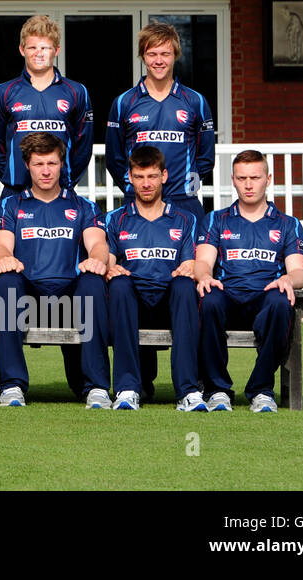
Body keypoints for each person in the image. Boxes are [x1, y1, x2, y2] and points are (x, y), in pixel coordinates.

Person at [0, 133, 110, 407]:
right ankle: (12, 385)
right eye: (38, 164)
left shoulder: (83, 206)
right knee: (7, 283)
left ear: (62, 165)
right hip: (29, 295)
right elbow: (1, 246)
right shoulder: (11, 204)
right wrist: (5, 258)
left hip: (69, 296)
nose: (45, 171)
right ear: (27, 166)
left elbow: (98, 244)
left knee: (93, 283)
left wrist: (96, 259)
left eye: (52, 163)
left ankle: (96, 387)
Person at [195, 150, 303, 413]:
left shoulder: (288, 224)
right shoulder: (215, 219)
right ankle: (217, 390)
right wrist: (203, 276)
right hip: (228, 298)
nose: (248, 184)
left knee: (283, 302)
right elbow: (203, 262)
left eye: (255, 177)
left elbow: (299, 272)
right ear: (233, 180)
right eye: (242, 178)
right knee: (208, 299)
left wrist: (287, 279)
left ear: (268, 179)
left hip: (265, 301)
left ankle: (261, 390)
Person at [102, 146, 203, 411]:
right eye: (139, 177)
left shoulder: (185, 219)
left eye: (152, 176)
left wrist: (188, 268)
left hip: (169, 303)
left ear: (164, 176)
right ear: (130, 178)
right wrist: (111, 269)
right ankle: (126, 389)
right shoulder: (115, 219)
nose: (146, 184)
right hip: (131, 303)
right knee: (119, 284)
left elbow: (190, 262)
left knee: (184, 285)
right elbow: (108, 262)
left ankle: (188, 391)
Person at [105, 22, 214, 224]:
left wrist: (186, 188)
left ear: (175, 55)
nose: (159, 61)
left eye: (165, 54)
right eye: (152, 54)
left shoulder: (195, 101)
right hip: (137, 203)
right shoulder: (124, 102)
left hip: (184, 202)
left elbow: (206, 157)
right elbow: (114, 158)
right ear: (143, 56)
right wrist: (135, 188)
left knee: (191, 257)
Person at [0, 14, 93, 202]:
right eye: (32, 47)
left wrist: (67, 180)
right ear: (22, 50)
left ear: (56, 50)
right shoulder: (3, 92)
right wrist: (13, 177)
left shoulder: (77, 91)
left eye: (45, 48)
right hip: (15, 191)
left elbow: (83, 146)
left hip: (60, 191)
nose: (39, 53)